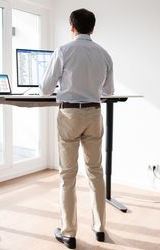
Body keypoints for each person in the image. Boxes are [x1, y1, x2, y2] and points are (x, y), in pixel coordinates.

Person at [40, 8, 114, 249]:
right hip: (94, 114)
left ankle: (69, 233)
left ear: (71, 26)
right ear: (92, 28)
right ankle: (100, 228)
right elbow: (109, 92)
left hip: (70, 114)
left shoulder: (63, 50)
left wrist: (65, 86)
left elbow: (45, 89)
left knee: (68, 175)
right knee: (95, 171)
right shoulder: (104, 54)